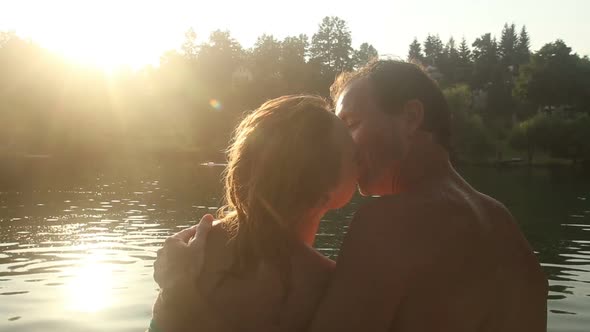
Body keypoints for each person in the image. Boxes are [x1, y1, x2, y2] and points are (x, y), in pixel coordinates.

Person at [155, 60, 548, 331]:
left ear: (411, 118)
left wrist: (180, 295)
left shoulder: (389, 223)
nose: (347, 147)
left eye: (352, 124)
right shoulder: (507, 230)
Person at [149, 95, 358, 331]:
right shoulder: (325, 285)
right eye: (355, 157)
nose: (361, 163)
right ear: (325, 190)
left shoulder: (191, 247)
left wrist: (178, 295)